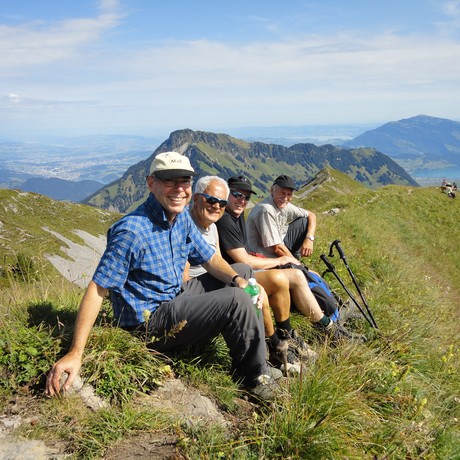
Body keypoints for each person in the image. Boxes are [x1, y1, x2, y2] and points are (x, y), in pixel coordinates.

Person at [46, 152, 283, 401]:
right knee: (237, 300)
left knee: (243, 272)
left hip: (176, 297)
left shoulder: (180, 218)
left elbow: (210, 259)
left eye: (185, 181)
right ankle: (254, 377)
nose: (179, 189)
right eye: (170, 181)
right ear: (151, 183)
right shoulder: (132, 231)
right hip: (149, 322)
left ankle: (258, 361)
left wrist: (239, 281)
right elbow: (97, 289)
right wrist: (75, 352)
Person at [216, 175, 352, 348]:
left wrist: (307, 241)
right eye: (237, 194)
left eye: (247, 197)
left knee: (296, 273)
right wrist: (284, 260)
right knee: (292, 275)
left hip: (244, 270)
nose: (242, 201)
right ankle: (322, 327)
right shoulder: (228, 219)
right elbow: (243, 259)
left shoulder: (236, 215)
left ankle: (320, 326)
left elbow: (310, 215)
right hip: (237, 276)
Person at [183, 175, 298, 371]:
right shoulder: (186, 226)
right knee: (249, 293)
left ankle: (274, 345)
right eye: (211, 200)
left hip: (211, 280)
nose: (216, 206)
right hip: (194, 293)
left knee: (251, 283)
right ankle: (262, 360)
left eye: (220, 202)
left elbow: (217, 260)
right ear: (196, 199)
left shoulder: (211, 226)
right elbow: (185, 283)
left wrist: (247, 283)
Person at [246, 174, 316, 260]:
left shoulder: (284, 205)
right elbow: (276, 248)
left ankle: (294, 259)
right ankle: (294, 264)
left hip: (277, 245)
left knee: (303, 221)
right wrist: (299, 267)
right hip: (262, 255)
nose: (285, 198)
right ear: (272, 191)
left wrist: (309, 238)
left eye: (289, 194)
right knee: (298, 268)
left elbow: (311, 215)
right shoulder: (266, 209)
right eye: (282, 193)